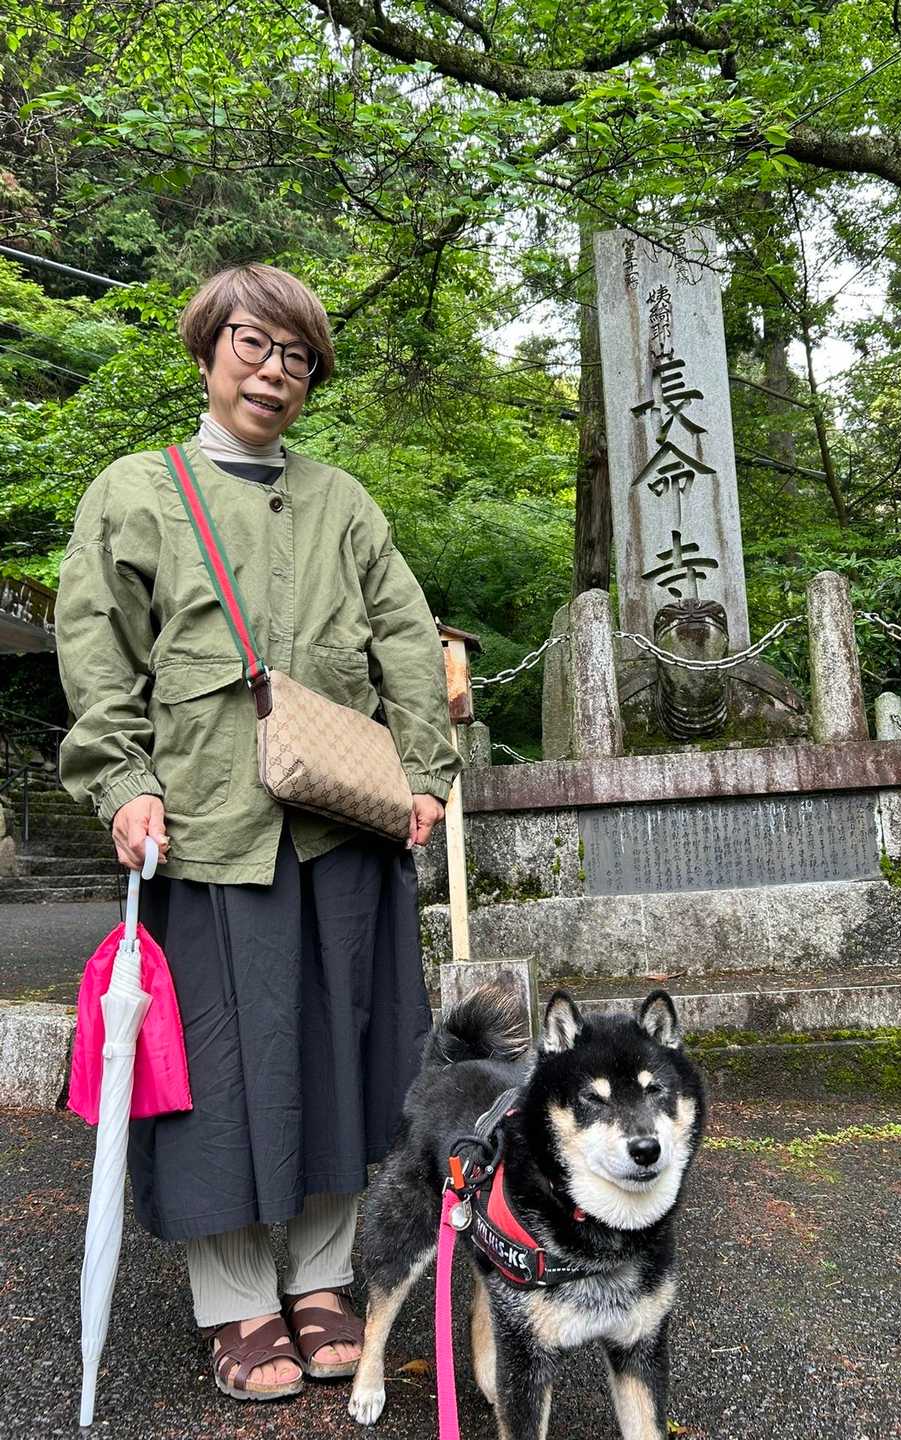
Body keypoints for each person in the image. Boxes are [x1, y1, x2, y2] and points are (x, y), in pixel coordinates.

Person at [55, 263, 461, 1401]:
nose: (275, 372)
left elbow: (405, 633)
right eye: (254, 344)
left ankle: (323, 1280)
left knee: (342, 1052)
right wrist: (122, 782)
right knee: (216, 1070)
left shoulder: (343, 501)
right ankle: (236, 1298)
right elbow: (98, 652)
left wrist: (423, 771)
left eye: (298, 357)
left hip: (340, 827)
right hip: (203, 827)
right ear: (207, 350)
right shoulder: (136, 491)